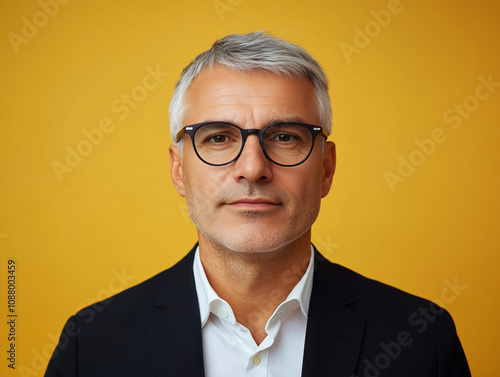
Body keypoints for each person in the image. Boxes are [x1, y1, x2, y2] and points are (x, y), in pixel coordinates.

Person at [45, 31, 471, 377]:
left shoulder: (423, 342)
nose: (253, 168)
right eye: (217, 137)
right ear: (178, 169)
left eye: (285, 137)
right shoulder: (91, 347)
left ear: (325, 168)